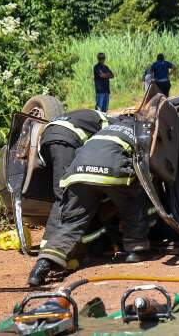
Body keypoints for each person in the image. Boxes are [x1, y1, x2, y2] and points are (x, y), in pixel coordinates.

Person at [28, 116, 151, 286]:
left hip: (78, 174)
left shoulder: (102, 132)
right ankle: (136, 249)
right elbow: (146, 165)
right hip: (110, 172)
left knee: (72, 223)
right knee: (132, 202)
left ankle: (42, 265)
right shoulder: (140, 130)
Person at [36, 109, 111, 258]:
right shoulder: (108, 123)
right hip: (64, 141)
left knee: (70, 192)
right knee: (65, 194)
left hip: (46, 141)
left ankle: (90, 244)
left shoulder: (86, 115)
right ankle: (49, 247)